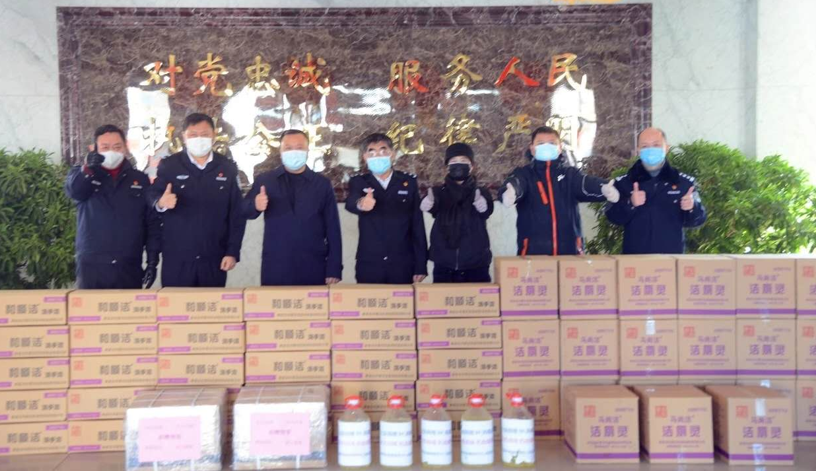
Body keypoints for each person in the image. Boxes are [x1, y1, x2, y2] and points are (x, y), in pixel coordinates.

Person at [149, 113, 246, 287]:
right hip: (177, 257)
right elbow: (151, 194)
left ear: (214, 136)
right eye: (193, 135)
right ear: (184, 137)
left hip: (214, 257)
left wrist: (232, 252)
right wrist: (161, 202)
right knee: (175, 304)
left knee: (211, 304)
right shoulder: (170, 165)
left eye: (205, 134)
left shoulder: (227, 167)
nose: (199, 139)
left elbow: (236, 215)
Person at [498, 126, 620, 256]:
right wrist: (510, 192)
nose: (546, 147)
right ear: (532, 149)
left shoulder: (569, 175)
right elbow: (516, 183)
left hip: (570, 254)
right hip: (532, 255)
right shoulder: (525, 174)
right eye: (540, 143)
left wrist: (603, 188)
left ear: (560, 148)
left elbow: (585, 183)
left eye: (551, 143)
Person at [65, 124, 161, 289]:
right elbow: (75, 191)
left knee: (127, 306)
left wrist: (152, 261)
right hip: (92, 266)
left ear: (125, 148)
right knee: (91, 306)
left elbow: (151, 223)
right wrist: (88, 169)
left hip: (128, 265)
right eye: (105, 147)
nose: (112, 151)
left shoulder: (140, 179)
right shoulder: (82, 174)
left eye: (117, 147)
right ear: (95, 149)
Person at [243, 129, 342, 286]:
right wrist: (254, 205)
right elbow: (244, 211)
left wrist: (334, 268)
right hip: (276, 264)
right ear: (280, 151)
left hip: (314, 264)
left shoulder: (322, 184)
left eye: (299, 147)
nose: (294, 152)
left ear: (308, 150)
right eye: (288, 148)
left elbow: (333, 228)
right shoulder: (266, 180)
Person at [605, 127, 706, 254]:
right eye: (645, 146)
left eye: (656, 145)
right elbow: (612, 217)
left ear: (666, 148)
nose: (650, 150)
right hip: (635, 259)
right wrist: (630, 203)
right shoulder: (624, 183)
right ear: (638, 150)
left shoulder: (684, 183)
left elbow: (698, 220)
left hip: (671, 259)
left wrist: (692, 208)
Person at [344, 133, 427, 284]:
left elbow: (417, 225)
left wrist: (421, 265)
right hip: (370, 263)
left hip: (402, 263)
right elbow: (350, 202)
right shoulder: (359, 181)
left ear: (392, 154)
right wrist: (361, 203)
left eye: (383, 151)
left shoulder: (408, 182)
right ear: (365, 157)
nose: (378, 156)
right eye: (372, 152)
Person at [420, 143, 493, 283]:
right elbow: (432, 206)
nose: (458, 164)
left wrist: (482, 206)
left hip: (476, 264)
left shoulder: (481, 192)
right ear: (447, 167)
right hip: (444, 265)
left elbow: (487, 211)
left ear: (471, 166)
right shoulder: (438, 192)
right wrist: (427, 203)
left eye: (463, 160)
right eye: (453, 161)